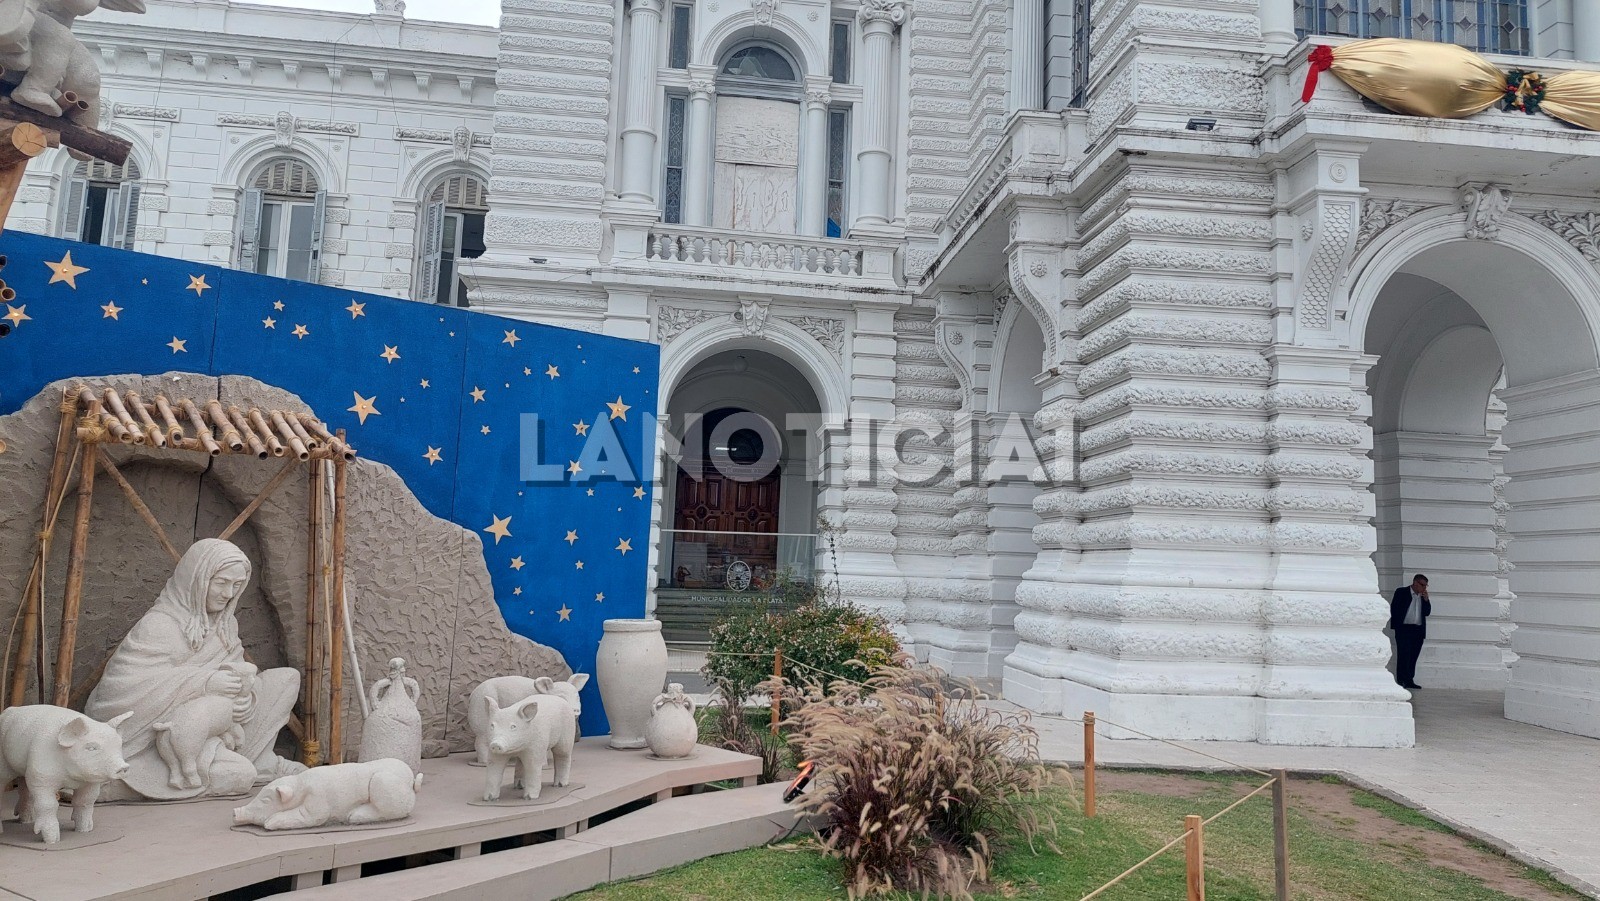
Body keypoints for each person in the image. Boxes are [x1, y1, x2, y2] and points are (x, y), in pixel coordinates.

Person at [85, 538, 305, 800]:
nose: (228, 594)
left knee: (285, 679)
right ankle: (125, 784)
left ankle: (261, 760)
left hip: (218, 727)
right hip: (162, 742)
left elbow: (238, 672)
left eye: (236, 585)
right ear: (196, 579)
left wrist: (246, 697)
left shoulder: (225, 626)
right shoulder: (160, 625)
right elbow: (117, 694)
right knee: (240, 777)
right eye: (221, 582)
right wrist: (205, 683)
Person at [1389, 573, 1431, 691]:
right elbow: (1395, 608)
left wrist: (1426, 600)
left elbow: (1427, 612)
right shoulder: (1401, 592)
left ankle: (1410, 679)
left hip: (1417, 630)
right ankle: (1401, 679)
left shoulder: (1423, 596)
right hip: (1404, 629)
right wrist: (1397, 626)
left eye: (1426, 586)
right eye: (1422, 585)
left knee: (1413, 655)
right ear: (1415, 583)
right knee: (1404, 654)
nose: (1424, 588)